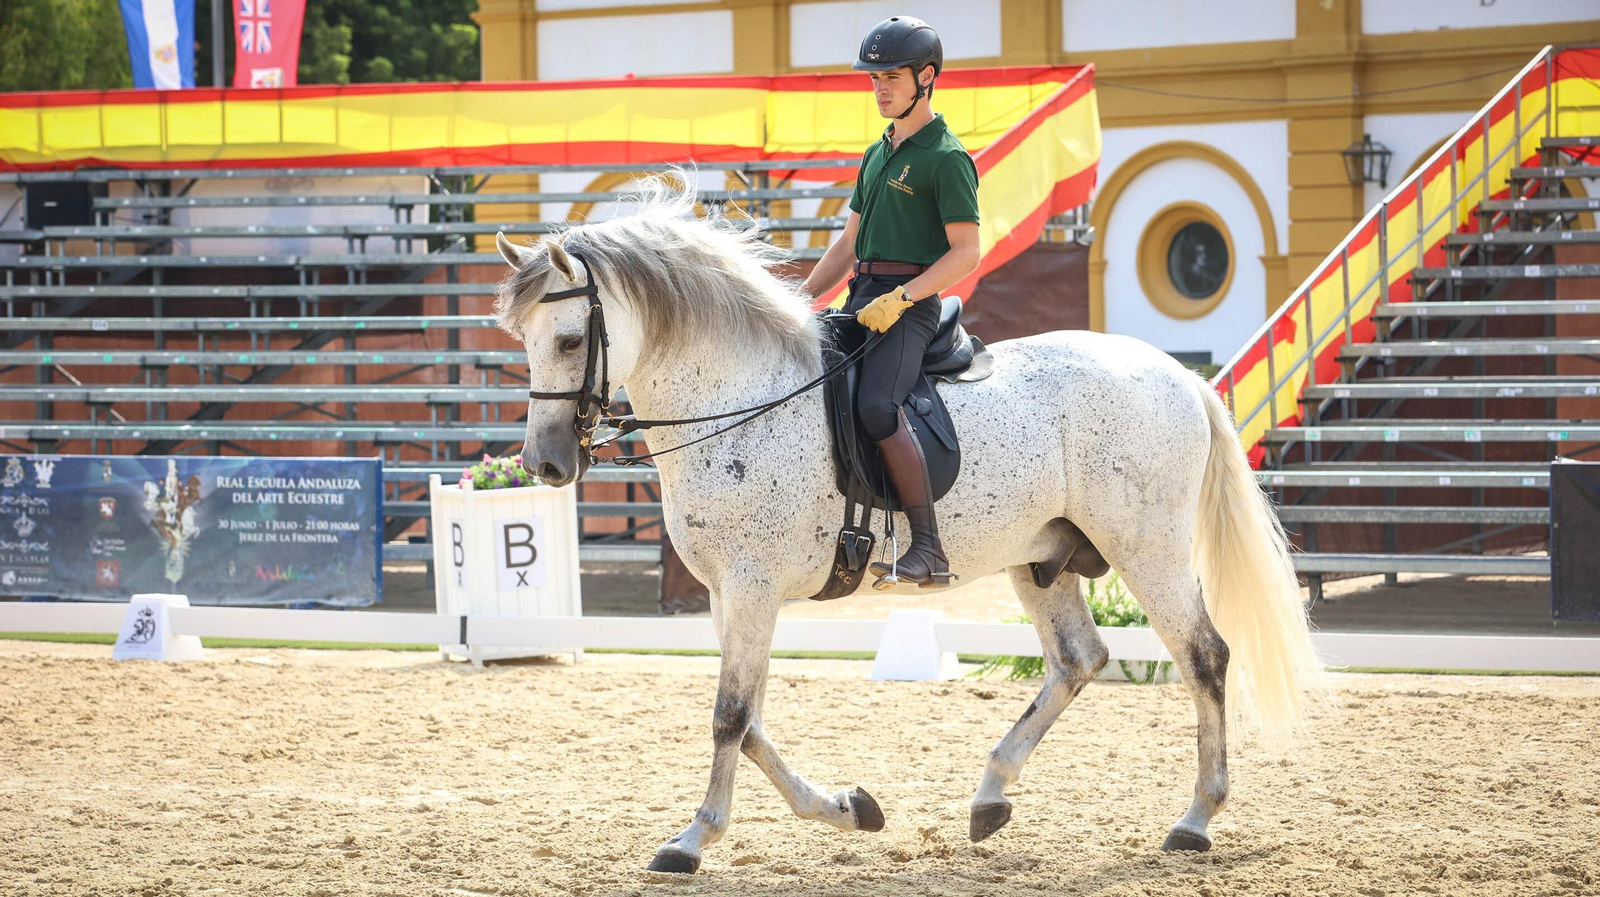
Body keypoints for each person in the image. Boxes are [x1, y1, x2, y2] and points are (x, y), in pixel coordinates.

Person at [801, 15, 980, 588]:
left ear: (926, 77)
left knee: (878, 405)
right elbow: (848, 245)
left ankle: (929, 547)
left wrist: (903, 297)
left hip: (912, 304)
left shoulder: (946, 157)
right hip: (862, 294)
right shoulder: (877, 152)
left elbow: (966, 253)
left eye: (891, 77)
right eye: (874, 78)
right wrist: (797, 301)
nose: (879, 88)